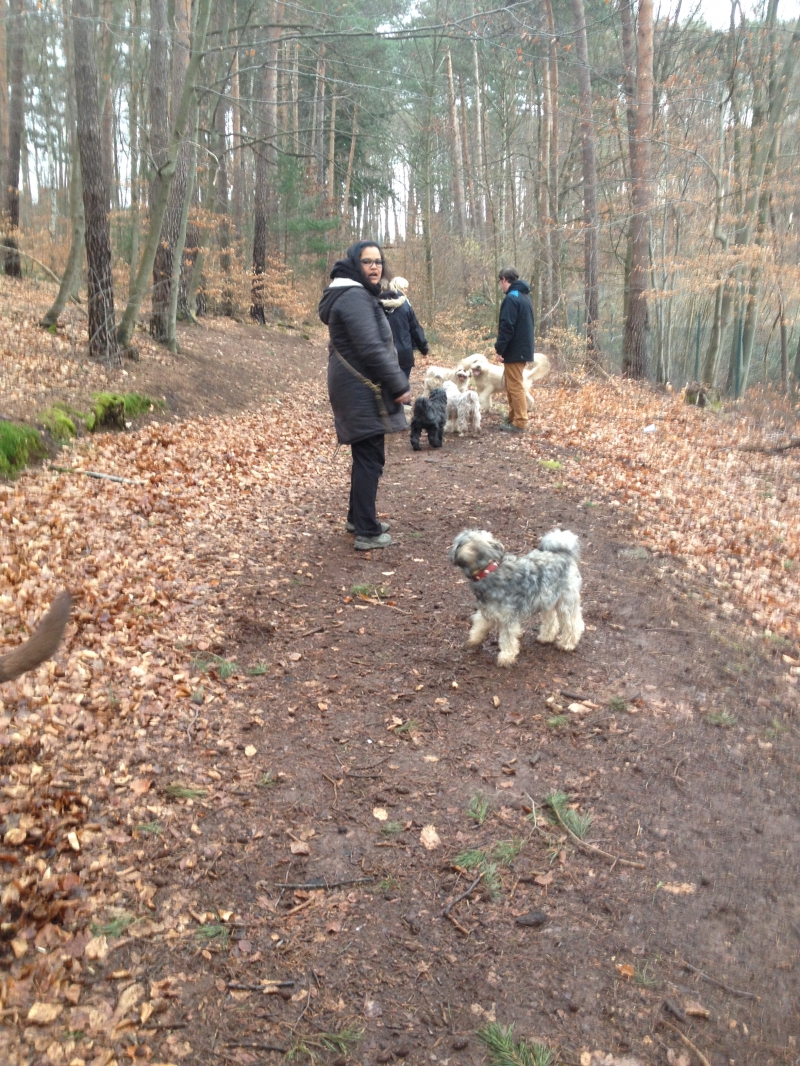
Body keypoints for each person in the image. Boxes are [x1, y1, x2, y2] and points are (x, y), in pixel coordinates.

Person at [319, 241, 411, 551]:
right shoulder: (355, 297)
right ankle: (367, 531)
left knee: (365, 455)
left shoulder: (352, 294)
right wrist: (399, 384)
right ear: (355, 265)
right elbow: (372, 348)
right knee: (370, 457)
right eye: (367, 262)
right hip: (359, 390)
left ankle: (357, 518)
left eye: (378, 261)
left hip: (354, 387)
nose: (374, 267)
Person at [494, 267, 535, 433]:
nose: (500, 286)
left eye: (500, 282)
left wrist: (500, 349)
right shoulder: (524, 296)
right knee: (511, 384)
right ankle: (512, 416)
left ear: (504, 279)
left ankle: (520, 421)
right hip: (522, 348)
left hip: (515, 349)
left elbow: (507, 326)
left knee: (515, 386)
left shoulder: (512, 298)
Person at [377, 277, 429, 387]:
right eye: (405, 288)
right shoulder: (405, 305)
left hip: (383, 353)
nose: (407, 291)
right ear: (399, 288)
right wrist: (424, 349)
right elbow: (415, 329)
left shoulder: (377, 304)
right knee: (403, 388)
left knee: (385, 389)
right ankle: (404, 404)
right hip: (404, 354)